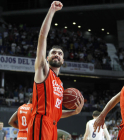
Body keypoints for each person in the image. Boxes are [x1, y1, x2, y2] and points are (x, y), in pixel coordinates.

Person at [27, 1, 84, 140]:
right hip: (40, 123)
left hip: (52, 125)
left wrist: (74, 112)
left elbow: (56, 114)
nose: (57, 55)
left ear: (63, 60)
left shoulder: (60, 83)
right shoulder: (43, 70)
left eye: (60, 53)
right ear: (47, 57)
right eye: (53, 53)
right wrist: (51, 11)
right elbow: (42, 37)